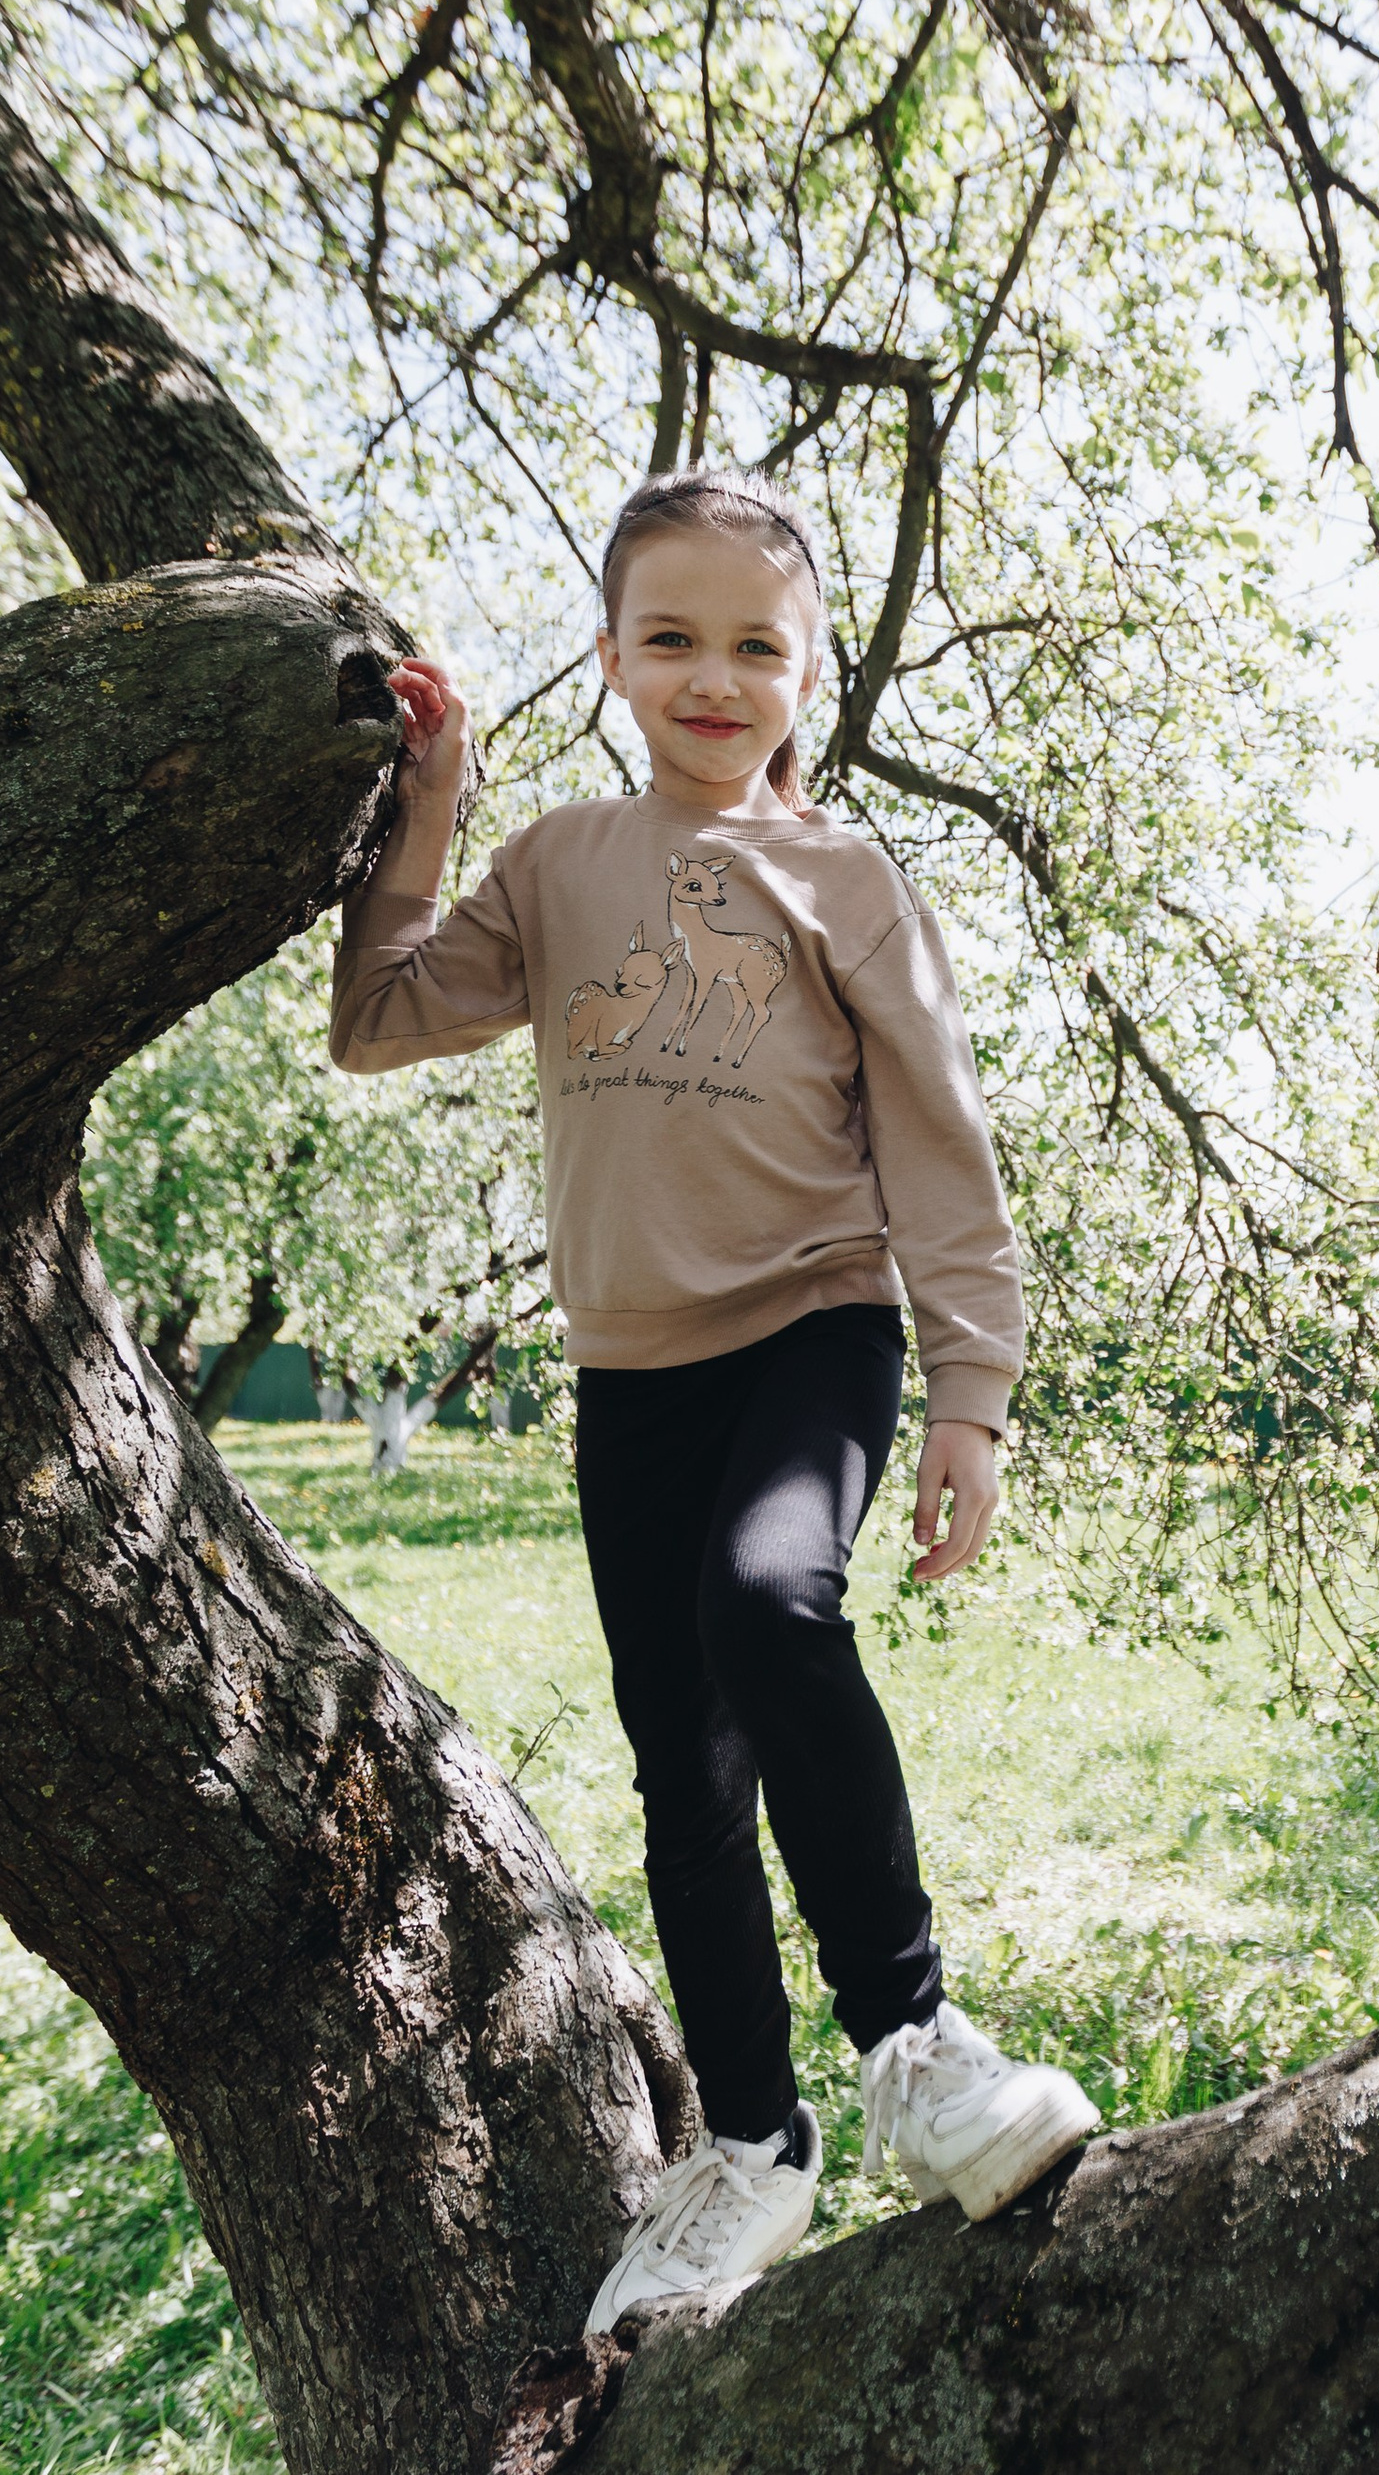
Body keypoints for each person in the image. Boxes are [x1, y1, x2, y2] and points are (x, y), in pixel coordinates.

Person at [329, 466, 1097, 2332]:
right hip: (633, 1376)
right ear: (608, 658)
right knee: (685, 1769)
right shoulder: (563, 863)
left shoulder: (846, 881)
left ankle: (917, 2045)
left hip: (815, 1329)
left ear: (807, 674)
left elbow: (939, 1146)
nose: (714, 675)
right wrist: (427, 813)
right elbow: (378, 1018)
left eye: (757, 644)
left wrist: (970, 1400)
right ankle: (749, 2148)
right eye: (671, 637)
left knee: (773, 1605)